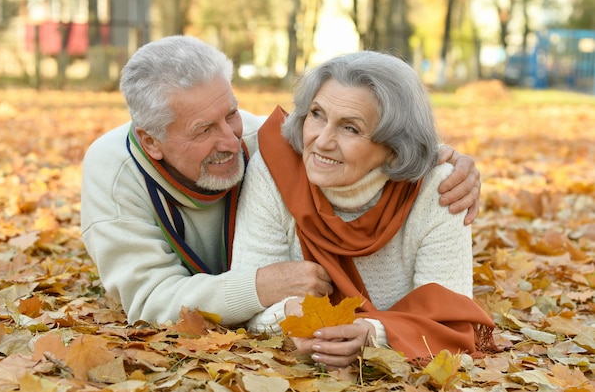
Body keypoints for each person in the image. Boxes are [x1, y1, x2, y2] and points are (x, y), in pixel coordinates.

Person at [80, 35, 482, 327]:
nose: (231, 140)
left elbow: (358, 130)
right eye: (204, 130)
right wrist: (258, 286)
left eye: (232, 114)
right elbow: (150, 299)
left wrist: (440, 159)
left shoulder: (260, 140)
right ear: (152, 141)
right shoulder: (114, 174)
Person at [230, 50, 495, 369]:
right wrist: (289, 317)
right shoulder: (274, 171)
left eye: (350, 128)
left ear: (395, 148)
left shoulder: (442, 189)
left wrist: (374, 334)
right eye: (317, 114)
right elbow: (246, 299)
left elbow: (451, 320)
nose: (321, 141)